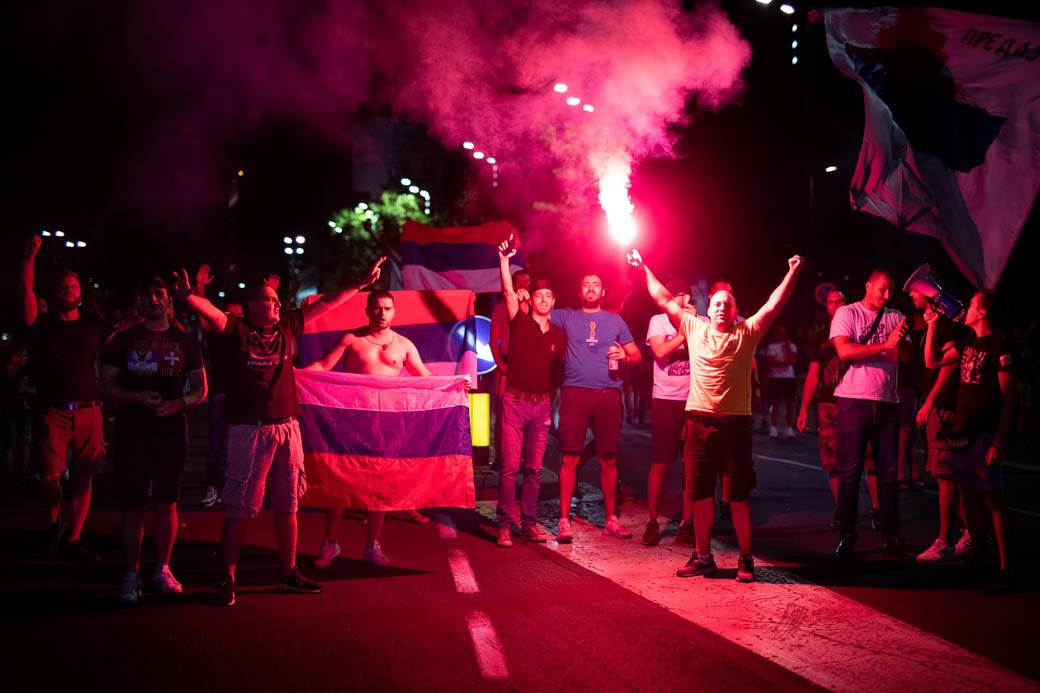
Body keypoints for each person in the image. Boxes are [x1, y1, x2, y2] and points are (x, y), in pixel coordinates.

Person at [171, 255, 386, 606]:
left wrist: (360, 284)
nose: (274, 304)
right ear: (252, 306)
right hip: (249, 430)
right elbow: (211, 313)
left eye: (276, 300)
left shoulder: (288, 325)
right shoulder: (237, 329)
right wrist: (189, 297)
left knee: (289, 506)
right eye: (267, 300)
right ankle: (227, 577)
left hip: (288, 428)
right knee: (241, 507)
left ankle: (287, 573)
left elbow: (329, 304)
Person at [632, 249, 803, 583]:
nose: (722, 306)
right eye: (717, 303)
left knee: (737, 496)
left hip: (735, 427)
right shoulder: (695, 328)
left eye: (729, 303)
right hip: (698, 424)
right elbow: (663, 297)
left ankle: (745, 559)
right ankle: (704, 557)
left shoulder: (748, 333)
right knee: (699, 494)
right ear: (708, 309)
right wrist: (644, 267)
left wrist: (792, 272)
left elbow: (774, 303)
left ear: (737, 311)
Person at [305, 289, 433, 567]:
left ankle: (372, 545)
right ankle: (330, 543)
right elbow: (324, 366)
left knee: (381, 485)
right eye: (376, 308)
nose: (382, 313)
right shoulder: (352, 339)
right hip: (352, 421)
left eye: (387, 308)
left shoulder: (404, 345)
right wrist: (295, 375)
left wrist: (457, 384)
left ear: (394, 312)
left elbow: (425, 378)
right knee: (339, 481)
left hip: (387, 424)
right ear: (367, 310)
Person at [100, 278, 208, 604]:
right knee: (133, 506)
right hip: (132, 433)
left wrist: (178, 404)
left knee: (167, 503)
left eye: (160, 294)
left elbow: (200, 389)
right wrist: (136, 397)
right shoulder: (123, 341)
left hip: (172, 433)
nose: (153, 298)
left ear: (169, 304)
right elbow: (105, 386)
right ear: (140, 303)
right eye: (147, 293)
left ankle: (162, 568)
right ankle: (131, 575)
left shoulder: (186, 342)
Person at [20, 235, 110, 560]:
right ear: (54, 292)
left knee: (85, 477)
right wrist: (29, 257)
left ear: (81, 293)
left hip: (89, 410)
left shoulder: (93, 326)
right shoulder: (41, 325)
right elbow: (26, 294)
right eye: (63, 285)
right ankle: (55, 522)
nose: (68, 288)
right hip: (53, 411)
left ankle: (73, 539)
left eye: (73, 284)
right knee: (49, 477)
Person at [551, 272, 642, 543]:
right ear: (580, 291)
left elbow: (637, 355)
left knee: (609, 457)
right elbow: (537, 309)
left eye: (595, 285)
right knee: (570, 457)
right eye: (585, 284)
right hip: (575, 393)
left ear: (603, 292)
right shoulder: (567, 316)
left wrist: (625, 356)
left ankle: (611, 518)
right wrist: (519, 294)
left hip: (607, 394)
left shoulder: (615, 320)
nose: (590, 288)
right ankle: (564, 520)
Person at [831, 270, 914, 561]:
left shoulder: (897, 316)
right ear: (868, 286)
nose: (887, 295)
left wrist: (900, 342)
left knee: (889, 476)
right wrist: (885, 345)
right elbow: (844, 351)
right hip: (854, 400)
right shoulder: (847, 313)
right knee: (850, 473)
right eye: (882, 289)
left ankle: (892, 535)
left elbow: (907, 358)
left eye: (891, 290)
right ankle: (847, 535)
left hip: (887, 401)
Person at [491, 238, 564, 547]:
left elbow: (558, 374)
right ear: (531, 300)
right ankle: (505, 525)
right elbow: (508, 292)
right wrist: (505, 261)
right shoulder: (519, 322)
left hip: (541, 406)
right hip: (515, 403)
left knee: (533, 469)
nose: (544, 299)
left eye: (549, 296)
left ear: (553, 302)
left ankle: (529, 523)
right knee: (509, 467)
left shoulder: (559, 335)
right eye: (539, 295)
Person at [943, 291, 1016, 591]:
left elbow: (1009, 397)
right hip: (963, 432)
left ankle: (1005, 566)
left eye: (972, 304)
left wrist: (999, 441)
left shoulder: (999, 344)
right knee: (969, 498)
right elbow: (933, 360)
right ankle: (981, 561)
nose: (966, 308)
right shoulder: (967, 341)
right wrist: (935, 326)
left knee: (992, 499)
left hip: (985, 433)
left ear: (983, 313)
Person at [798, 290, 881, 528]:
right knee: (832, 460)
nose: (834, 306)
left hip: (857, 399)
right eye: (830, 302)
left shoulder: (859, 332)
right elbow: (813, 374)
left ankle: (877, 509)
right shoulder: (820, 338)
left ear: (847, 304)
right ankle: (842, 509)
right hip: (828, 403)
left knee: (868, 458)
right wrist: (804, 408)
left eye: (839, 301)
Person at [914, 309, 971, 562]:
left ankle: (945, 541)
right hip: (945, 407)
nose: (911, 297)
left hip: (947, 408)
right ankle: (974, 533)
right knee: (946, 476)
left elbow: (938, 366)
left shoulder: (953, 331)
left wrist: (929, 402)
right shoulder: (940, 328)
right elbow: (930, 362)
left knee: (948, 476)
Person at [643, 279, 696, 546]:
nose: (683, 302)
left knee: (691, 465)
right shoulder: (659, 321)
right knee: (661, 462)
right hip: (665, 399)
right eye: (678, 297)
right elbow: (661, 351)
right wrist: (685, 332)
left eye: (687, 297)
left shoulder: (700, 321)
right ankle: (652, 520)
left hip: (692, 401)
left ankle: (686, 524)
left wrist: (696, 325)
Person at [490, 268, 531, 468]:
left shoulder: (535, 307)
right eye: (520, 282)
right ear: (513, 285)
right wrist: (501, 365)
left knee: (526, 413)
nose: (524, 286)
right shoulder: (500, 308)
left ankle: (522, 458)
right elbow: (493, 341)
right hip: (507, 366)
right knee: (503, 413)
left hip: (527, 368)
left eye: (527, 282)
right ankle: (500, 457)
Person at [897, 291, 929, 490]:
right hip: (905, 382)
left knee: (916, 432)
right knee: (903, 431)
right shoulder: (905, 322)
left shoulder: (934, 324)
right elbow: (905, 357)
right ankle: (901, 473)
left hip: (924, 383)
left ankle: (915, 471)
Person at [1, 340, 34, 485]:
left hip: (20, 411)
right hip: (11, 410)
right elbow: (18, 390)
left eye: (25, 356)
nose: (25, 358)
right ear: (13, 356)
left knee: (19, 442)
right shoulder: (9, 372)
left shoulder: (21, 372)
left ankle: (18, 472)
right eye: (21, 355)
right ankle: (12, 473)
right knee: (12, 442)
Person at [765, 325, 798, 438]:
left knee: (790, 404)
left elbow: (792, 360)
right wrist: (785, 362)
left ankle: (789, 429)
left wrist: (786, 349)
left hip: (789, 378)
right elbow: (771, 363)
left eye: (783, 332)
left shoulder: (792, 346)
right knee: (776, 403)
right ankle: (773, 428)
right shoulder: (771, 346)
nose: (781, 334)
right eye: (779, 332)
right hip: (776, 378)